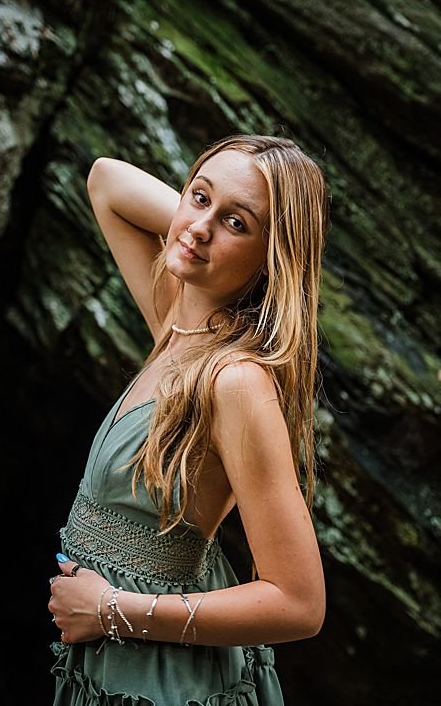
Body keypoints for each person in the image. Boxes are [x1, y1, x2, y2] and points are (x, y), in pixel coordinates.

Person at [47, 135, 329, 704]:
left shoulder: (234, 382)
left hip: (163, 680)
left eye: (237, 225)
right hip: (112, 666)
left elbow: (299, 603)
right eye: (198, 197)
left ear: (275, 256)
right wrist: (205, 217)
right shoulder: (177, 325)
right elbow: (107, 179)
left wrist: (114, 611)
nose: (200, 228)